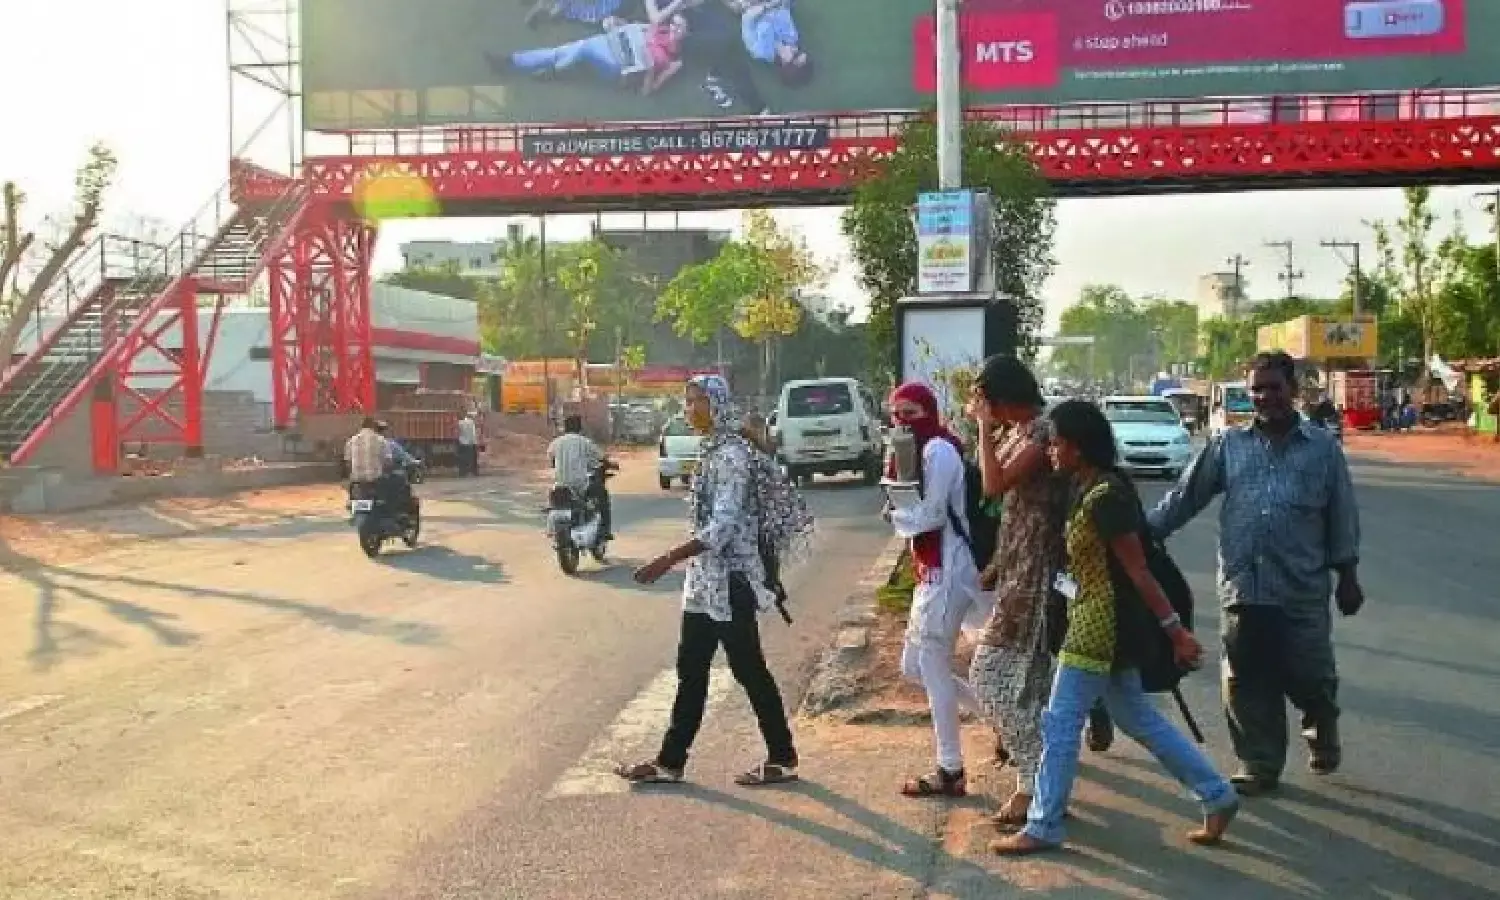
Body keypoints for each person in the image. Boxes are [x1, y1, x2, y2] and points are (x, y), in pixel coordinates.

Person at [991, 400, 1238, 855]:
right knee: (1136, 717)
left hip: (1098, 622)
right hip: (1090, 614)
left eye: (1057, 444)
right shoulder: (1084, 486)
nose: (1050, 452)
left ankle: (1044, 823)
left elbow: (1139, 570)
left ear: (1079, 448)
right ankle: (1217, 794)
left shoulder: (1108, 497)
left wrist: (1175, 630)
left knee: (1060, 721)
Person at [1149, 351, 1363, 796]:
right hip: (1243, 586)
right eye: (1257, 390)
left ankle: (1320, 720)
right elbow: (1186, 497)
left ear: (1294, 391)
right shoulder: (1229, 446)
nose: (1265, 397)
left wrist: (1348, 574)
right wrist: (1143, 534)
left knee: (1310, 676)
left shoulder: (1323, 450)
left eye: (1274, 388)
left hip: (1301, 589)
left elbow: (1342, 514)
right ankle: (1259, 762)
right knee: (1246, 677)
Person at [618, 374, 813, 786]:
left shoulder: (731, 457)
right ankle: (670, 762)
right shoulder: (713, 450)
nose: (689, 410)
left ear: (718, 405)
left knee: (749, 671)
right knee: (691, 670)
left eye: (697, 402)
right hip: (705, 582)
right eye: (687, 402)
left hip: (731, 582)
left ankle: (782, 756)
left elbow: (723, 527)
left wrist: (667, 559)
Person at [967, 355, 1114, 826]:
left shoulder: (1040, 434)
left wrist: (984, 429)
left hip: (1038, 580)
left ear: (999, 398)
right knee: (1024, 690)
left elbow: (991, 484)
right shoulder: (1021, 432)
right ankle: (1038, 786)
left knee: (989, 679)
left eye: (981, 398)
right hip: (1017, 569)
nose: (976, 405)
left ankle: (1037, 780)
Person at [884, 382, 986, 798]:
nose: (902, 421)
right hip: (931, 569)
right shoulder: (913, 451)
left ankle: (950, 769)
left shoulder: (938, 451)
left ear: (928, 412)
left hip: (950, 567)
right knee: (916, 667)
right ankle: (1008, 720)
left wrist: (896, 514)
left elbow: (930, 513)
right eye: (897, 414)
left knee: (931, 664)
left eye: (911, 413)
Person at [495, 9, 688, 96]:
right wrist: (617, 22)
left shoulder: (675, 62)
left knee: (581, 48)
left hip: (617, 68)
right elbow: (630, 29)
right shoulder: (658, 28)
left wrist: (650, 69)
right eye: (674, 23)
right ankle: (511, 62)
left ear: (687, 33)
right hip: (608, 42)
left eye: (680, 27)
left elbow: (647, 92)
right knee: (565, 50)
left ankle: (549, 68)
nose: (673, 28)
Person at [648, 0, 769, 114]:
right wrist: (679, 3)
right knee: (727, 48)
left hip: (689, 17)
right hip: (673, 35)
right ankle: (755, 104)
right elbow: (656, 19)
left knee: (727, 36)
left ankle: (715, 76)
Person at [548, 414, 612, 540]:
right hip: (580, 484)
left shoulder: (555, 443)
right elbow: (600, 457)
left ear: (565, 428)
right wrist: (609, 463)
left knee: (554, 501)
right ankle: (605, 530)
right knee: (602, 495)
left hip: (560, 484)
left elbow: (551, 459)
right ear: (579, 428)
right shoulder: (584, 441)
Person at [456, 412, 479, 477]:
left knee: (462, 459)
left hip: (463, 443)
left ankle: (463, 472)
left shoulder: (459, 423)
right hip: (472, 442)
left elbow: (458, 432)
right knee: (473, 458)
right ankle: (474, 472)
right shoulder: (471, 422)